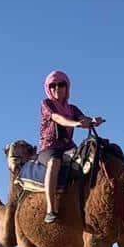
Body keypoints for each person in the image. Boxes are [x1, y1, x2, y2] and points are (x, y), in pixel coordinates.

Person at [39, 71, 103, 223]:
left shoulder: (72, 108)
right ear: (48, 88)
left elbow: (83, 119)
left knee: (91, 157)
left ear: (66, 87)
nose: (57, 88)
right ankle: (50, 208)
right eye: (52, 85)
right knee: (54, 162)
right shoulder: (46, 104)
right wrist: (74, 123)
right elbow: (57, 118)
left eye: (61, 84)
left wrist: (92, 121)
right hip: (50, 147)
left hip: (68, 146)